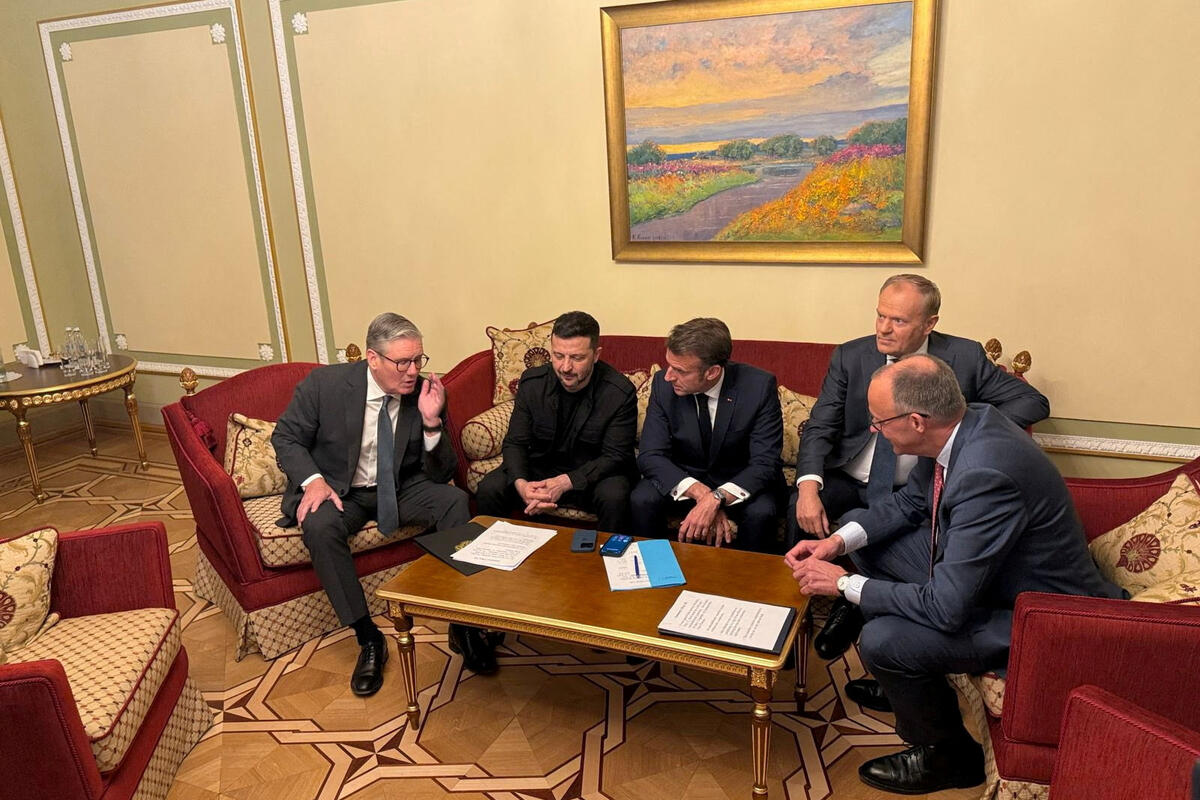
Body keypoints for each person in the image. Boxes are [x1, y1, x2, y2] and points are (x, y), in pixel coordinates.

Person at [785, 355, 1123, 795]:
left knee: (883, 640)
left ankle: (948, 756)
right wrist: (836, 544)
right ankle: (905, 683)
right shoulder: (964, 423)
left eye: (879, 422)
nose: (874, 430)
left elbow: (946, 607)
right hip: (983, 579)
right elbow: (911, 503)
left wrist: (843, 584)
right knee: (859, 530)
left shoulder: (987, 473)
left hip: (1039, 616)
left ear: (916, 421)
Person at [792, 274, 1050, 658]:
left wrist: (966, 432)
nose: (883, 328)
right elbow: (821, 426)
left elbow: (1033, 402)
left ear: (929, 324)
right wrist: (817, 506)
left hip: (1020, 601)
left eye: (897, 320)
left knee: (885, 626)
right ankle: (799, 619)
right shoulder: (851, 355)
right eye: (880, 315)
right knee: (840, 522)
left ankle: (864, 607)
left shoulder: (965, 364)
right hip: (860, 478)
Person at [272, 313, 488, 696]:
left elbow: (442, 473)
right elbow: (285, 437)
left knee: (454, 501)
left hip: (401, 487)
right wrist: (313, 481)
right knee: (319, 525)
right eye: (402, 362)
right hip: (342, 491)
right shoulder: (325, 386)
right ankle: (367, 636)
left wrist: (432, 423)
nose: (413, 371)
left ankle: (464, 624)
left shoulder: (423, 393)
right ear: (373, 358)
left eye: (418, 359)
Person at [631, 318, 784, 552]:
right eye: (669, 365)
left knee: (762, 512)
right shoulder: (663, 384)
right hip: (685, 479)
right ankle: (652, 569)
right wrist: (703, 495)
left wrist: (718, 498)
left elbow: (765, 463)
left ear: (712, 372)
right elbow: (651, 455)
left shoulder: (758, 387)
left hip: (738, 481)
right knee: (642, 498)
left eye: (680, 371)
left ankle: (747, 576)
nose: (669, 376)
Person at [476, 311, 637, 532]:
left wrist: (565, 482)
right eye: (558, 355)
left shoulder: (619, 392)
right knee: (490, 487)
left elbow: (615, 456)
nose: (565, 367)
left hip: (592, 474)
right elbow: (515, 442)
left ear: (596, 355)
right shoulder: (533, 383)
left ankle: (607, 554)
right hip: (542, 468)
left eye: (577, 358)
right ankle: (497, 552)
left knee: (615, 496)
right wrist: (522, 484)